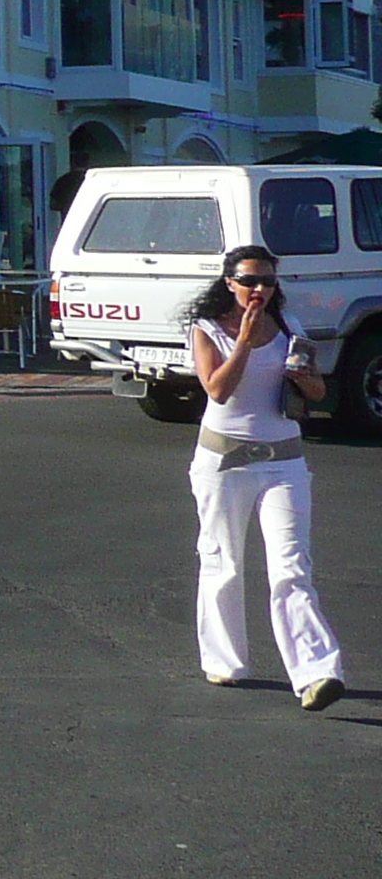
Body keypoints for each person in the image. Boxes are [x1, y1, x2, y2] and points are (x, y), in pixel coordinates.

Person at [184, 247, 347, 709]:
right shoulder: (207, 329)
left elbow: (315, 391)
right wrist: (243, 344)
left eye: (268, 281)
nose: (260, 290)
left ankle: (316, 673)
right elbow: (217, 389)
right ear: (229, 282)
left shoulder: (290, 327)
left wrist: (307, 377)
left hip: (284, 461)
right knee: (223, 562)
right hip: (224, 460)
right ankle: (224, 661)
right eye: (250, 280)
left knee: (292, 567)